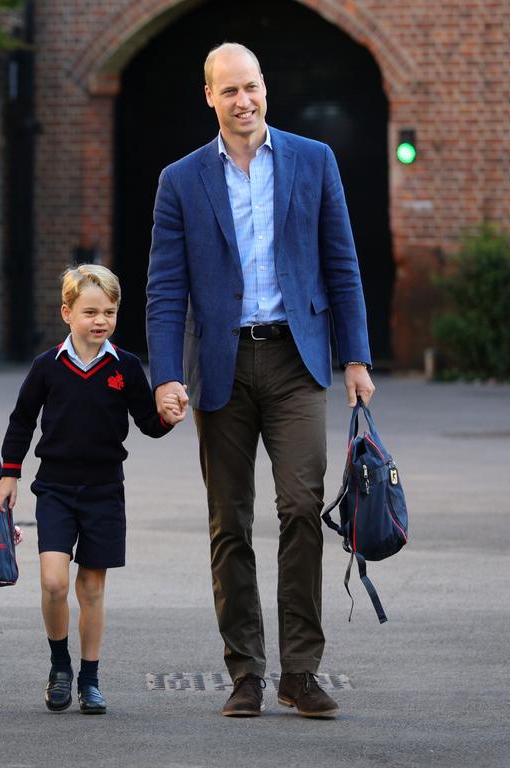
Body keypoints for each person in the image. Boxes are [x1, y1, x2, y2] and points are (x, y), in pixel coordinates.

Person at [146, 42, 376, 719]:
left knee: (302, 508)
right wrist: (165, 376)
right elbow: (165, 290)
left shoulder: (314, 160)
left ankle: (300, 672)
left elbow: (344, 264)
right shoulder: (181, 180)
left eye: (252, 87)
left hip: (296, 360)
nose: (243, 101)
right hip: (220, 366)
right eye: (229, 91)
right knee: (230, 523)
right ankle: (244, 671)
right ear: (209, 96)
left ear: (265, 89)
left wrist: (356, 359)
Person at [0, 264, 182, 715]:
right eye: (90, 311)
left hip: (104, 491)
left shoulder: (127, 366)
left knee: (91, 589)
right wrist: (9, 473)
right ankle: (60, 667)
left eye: (109, 312)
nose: (101, 320)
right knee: (55, 582)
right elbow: (21, 421)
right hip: (55, 488)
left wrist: (167, 419)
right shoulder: (46, 367)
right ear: (67, 313)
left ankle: (90, 679)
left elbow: (147, 424)